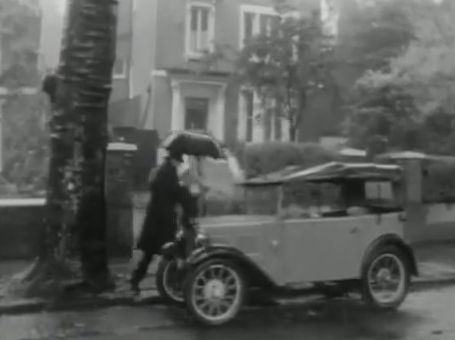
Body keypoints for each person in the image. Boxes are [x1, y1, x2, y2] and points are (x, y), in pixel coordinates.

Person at [130, 150, 187, 295]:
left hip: (156, 220)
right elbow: (173, 193)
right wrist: (184, 190)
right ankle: (172, 282)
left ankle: (136, 280)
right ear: (174, 160)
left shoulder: (163, 171)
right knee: (172, 251)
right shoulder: (168, 173)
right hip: (163, 220)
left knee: (151, 254)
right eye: (178, 161)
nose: (179, 164)